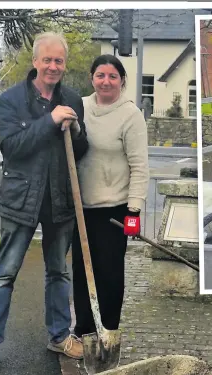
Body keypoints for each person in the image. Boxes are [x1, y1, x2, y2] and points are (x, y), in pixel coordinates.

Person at [0, 32, 89, 373]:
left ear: (64, 64)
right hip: (21, 200)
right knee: (5, 273)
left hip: (59, 200)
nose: (53, 66)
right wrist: (50, 122)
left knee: (58, 272)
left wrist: (78, 132)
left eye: (59, 61)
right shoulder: (10, 101)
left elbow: (79, 152)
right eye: (47, 60)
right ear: (35, 62)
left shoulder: (72, 99)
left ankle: (59, 336)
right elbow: (13, 148)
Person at [71, 54, 149, 344]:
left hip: (114, 209)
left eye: (112, 76)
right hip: (80, 208)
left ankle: (109, 331)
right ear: (92, 79)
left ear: (122, 81)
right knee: (81, 271)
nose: (106, 81)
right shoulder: (80, 107)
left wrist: (134, 210)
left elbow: (140, 166)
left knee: (109, 272)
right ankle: (84, 331)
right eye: (100, 75)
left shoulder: (130, 115)